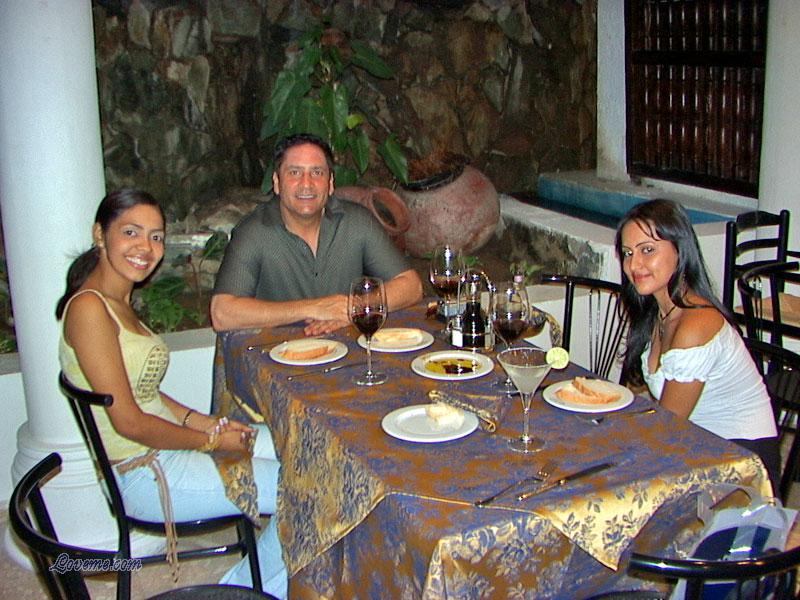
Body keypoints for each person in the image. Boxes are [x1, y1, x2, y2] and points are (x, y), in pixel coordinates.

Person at [56, 188, 286, 596]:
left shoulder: (117, 299)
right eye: (131, 232)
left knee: (294, 443)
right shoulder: (90, 309)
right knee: (302, 489)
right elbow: (129, 422)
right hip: (143, 472)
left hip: (161, 451)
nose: (145, 247)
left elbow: (146, 393)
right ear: (99, 234)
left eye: (156, 236)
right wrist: (210, 441)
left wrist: (210, 423)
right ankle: (237, 591)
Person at [615, 198, 780, 491]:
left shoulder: (696, 324)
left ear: (680, 250)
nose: (633, 264)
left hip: (741, 465)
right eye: (628, 253)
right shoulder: (659, 311)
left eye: (647, 250)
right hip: (699, 444)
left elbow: (667, 429)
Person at [210, 133, 423, 334]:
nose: (306, 184)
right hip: (276, 351)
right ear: (277, 183)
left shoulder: (356, 222)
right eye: (295, 173)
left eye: (317, 173)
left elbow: (411, 286)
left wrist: (353, 307)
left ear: (330, 184)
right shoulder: (254, 232)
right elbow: (222, 314)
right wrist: (314, 308)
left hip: (348, 350)